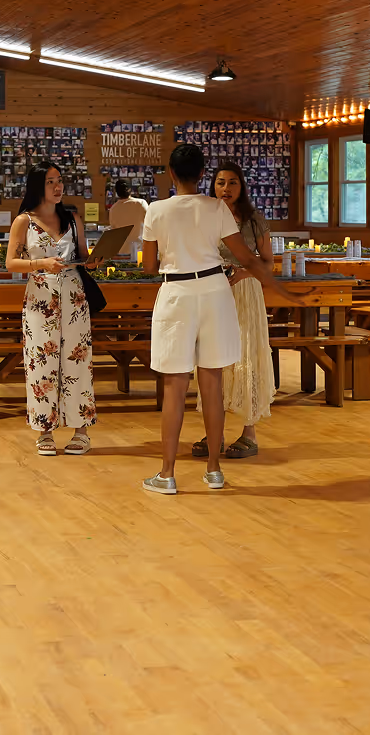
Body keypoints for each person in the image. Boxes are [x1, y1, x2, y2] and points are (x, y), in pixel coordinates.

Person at [139, 143, 296, 495]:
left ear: (170, 172)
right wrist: (273, 280)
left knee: (175, 386)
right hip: (214, 291)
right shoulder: (216, 208)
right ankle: (213, 471)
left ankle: (167, 474)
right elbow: (246, 255)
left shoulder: (156, 210)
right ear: (202, 174)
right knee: (213, 382)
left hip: (176, 293)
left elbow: (149, 266)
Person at [6, 163, 96, 455]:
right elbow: (11, 263)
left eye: (59, 181)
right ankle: (44, 429)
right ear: (37, 186)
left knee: (77, 362)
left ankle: (81, 430)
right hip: (40, 300)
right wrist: (40, 263)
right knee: (41, 362)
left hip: (74, 298)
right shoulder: (24, 221)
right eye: (50, 182)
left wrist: (94, 260)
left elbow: (83, 255)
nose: (58, 187)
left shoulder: (71, 218)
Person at [193, 161, 275, 460]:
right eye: (220, 183)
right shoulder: (203, 216)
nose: (225, 188)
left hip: (244, 293)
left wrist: (243, 272)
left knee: (246, 356)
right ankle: (213, 430)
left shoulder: (254, 221)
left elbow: (268, 264)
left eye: (232, 183)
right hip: (212, 293)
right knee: (212, 360)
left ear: (241, 187)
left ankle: (249, 431)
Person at [108, 179, 149, 259]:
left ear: (116, 192)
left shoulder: (113, 208)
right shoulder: (141, 204)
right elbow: (151, 224)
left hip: (121, 254)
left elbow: (113, 230)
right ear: (131, 190)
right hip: (139, 253)